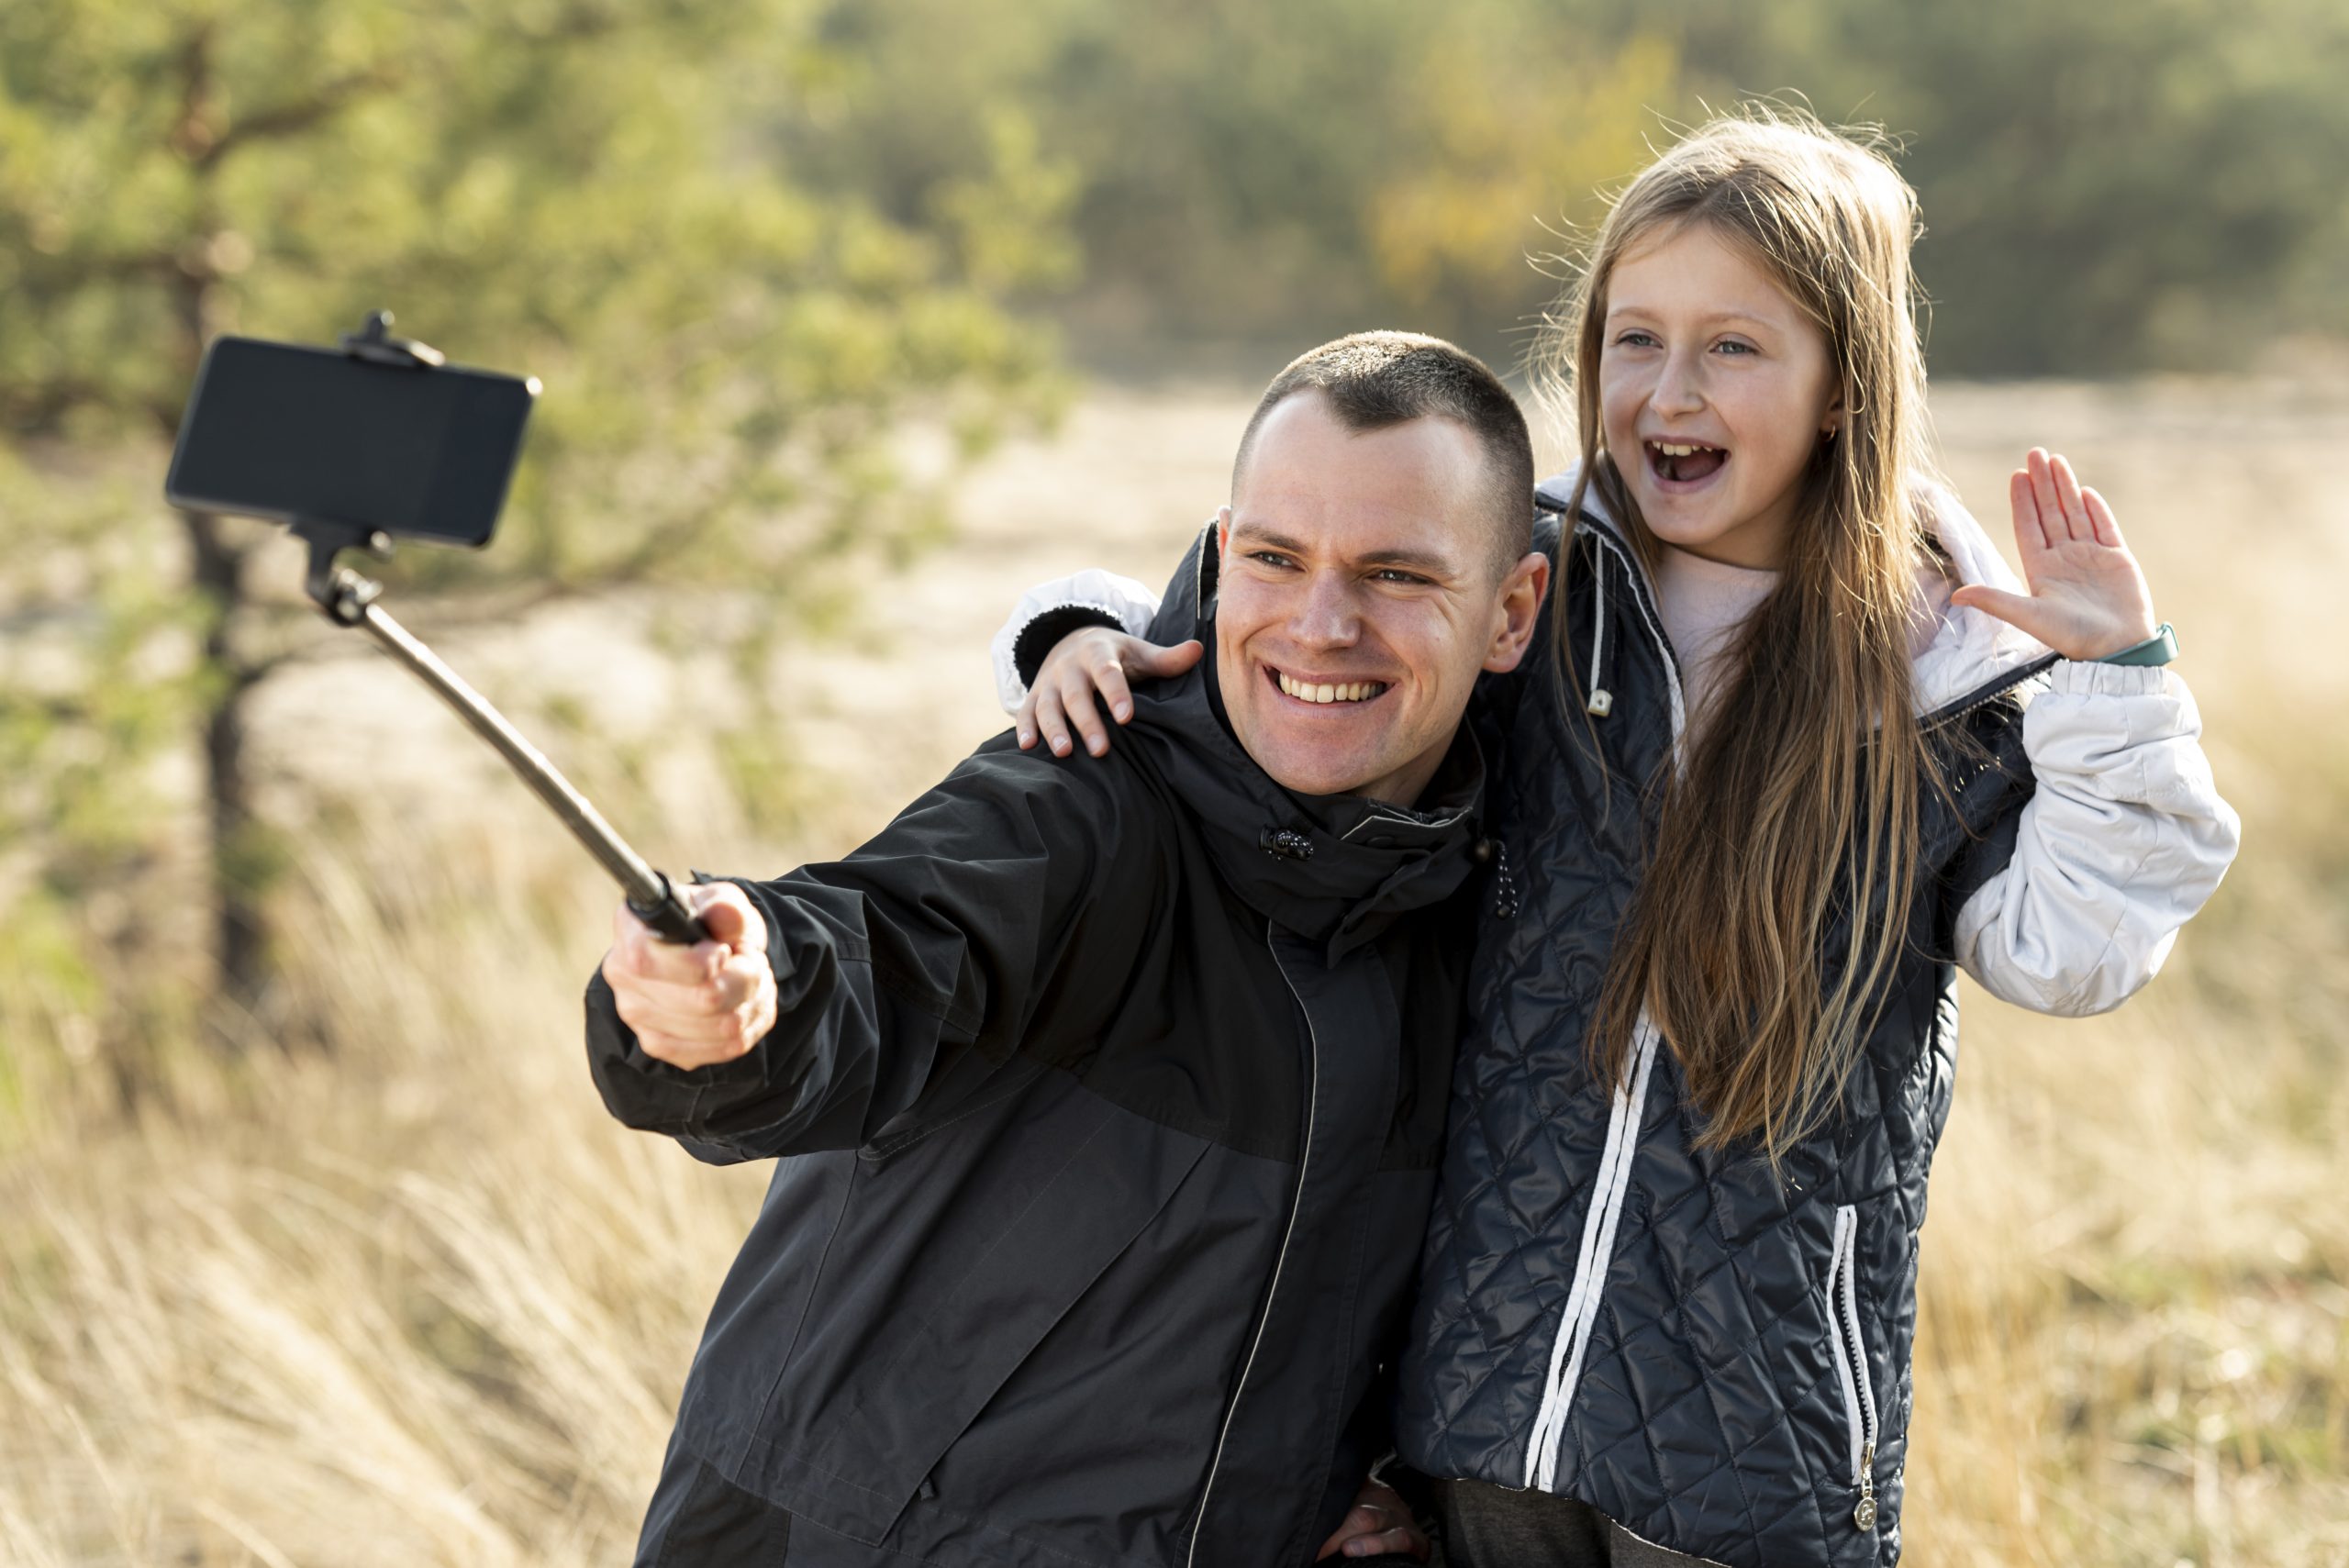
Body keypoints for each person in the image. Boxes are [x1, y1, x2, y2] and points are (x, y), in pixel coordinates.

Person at [989, 111, 2240, 1567]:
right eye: (1633, 338)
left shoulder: (1944, 678)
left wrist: (2115, 692)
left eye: (1733, 346)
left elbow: (2074, 951)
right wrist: (1082, 633)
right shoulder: (1534, 588)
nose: (1666, 391)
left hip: (1753, 1468)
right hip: (1451, 1423)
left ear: (1846, 382)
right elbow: (1299, 634)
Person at [584, 331, 1552, 1568]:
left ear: (1511, 610)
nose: (1321, 623)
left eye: (1396, 574)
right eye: (1273, 557)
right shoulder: (1089, 802)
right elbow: (885, 936)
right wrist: (739, 995)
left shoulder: (1489, 906)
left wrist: (1361, 1483)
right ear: (1218, 556)